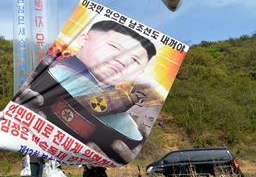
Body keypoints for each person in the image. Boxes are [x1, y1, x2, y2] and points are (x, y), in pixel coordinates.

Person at [15, 20, 160, 165]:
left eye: (135, 60)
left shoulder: (126, 116)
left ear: (140, 72)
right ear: (83, 40)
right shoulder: (44, 70)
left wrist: (133, 146)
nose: (122, 61)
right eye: (114, 47)